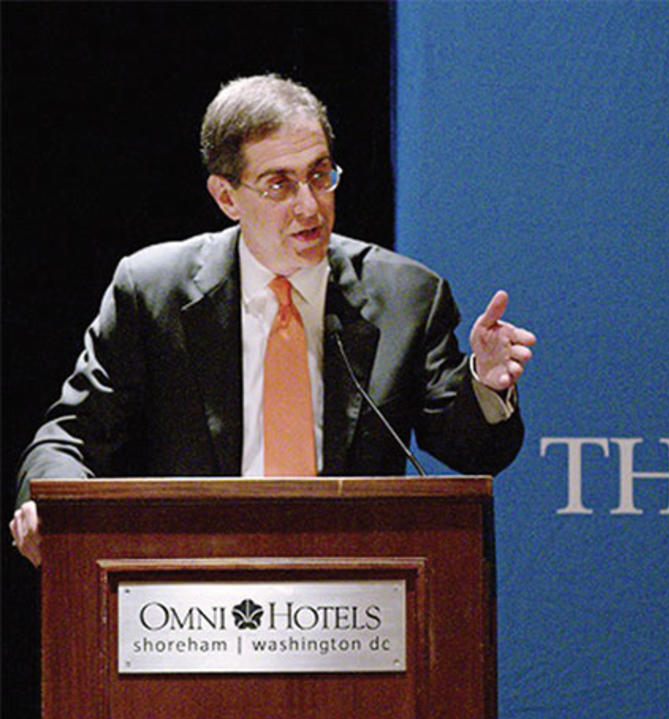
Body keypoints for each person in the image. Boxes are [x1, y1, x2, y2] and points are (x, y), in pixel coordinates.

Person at [8, 74, 535, 567]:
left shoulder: (406, 296)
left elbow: (471, 452)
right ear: (226, 196)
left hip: (358, 588)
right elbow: (70, 435)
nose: (310, 206)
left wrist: (484, 385)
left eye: (319, 175)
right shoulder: (154, 292)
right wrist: (47, 502)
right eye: (279, 185)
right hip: (193, 589)